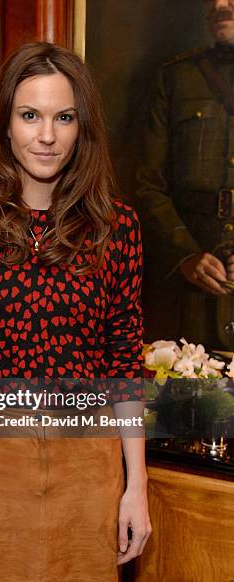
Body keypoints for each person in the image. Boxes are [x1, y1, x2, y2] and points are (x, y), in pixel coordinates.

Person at [0, 41, 152, 582]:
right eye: (30, 115)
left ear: (82, 128)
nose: (46, 135)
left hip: (87, 467)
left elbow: (124, 365)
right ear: (4, 125)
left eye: (63, 117)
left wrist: (137, 489)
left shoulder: (116, 227)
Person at [135, 0, 234, 350]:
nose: (222, 6)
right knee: (194, 401)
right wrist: (186, 254)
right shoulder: (176, 78)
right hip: (191, 293)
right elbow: (148, 185)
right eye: (215, 0)